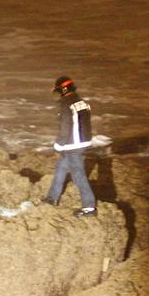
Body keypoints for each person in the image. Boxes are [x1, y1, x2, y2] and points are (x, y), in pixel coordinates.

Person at [43, 75, 98, 217]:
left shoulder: (65, 104)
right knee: (61, 167)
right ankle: (52, 198)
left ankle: (89, 207)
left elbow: (65, 126)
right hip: (85, 141)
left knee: (78, 175)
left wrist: (59, 144)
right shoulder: (82, 102)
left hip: (73, 145)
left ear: (62, 90)